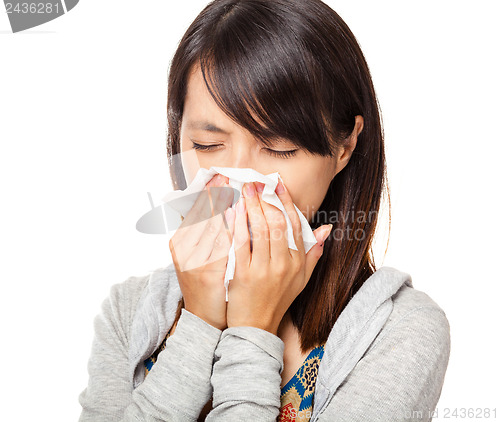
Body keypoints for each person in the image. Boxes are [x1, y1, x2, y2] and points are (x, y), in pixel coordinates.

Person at [78, 0, 451, 421]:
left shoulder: (398, 332)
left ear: (344, 148)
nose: (241, 178)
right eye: (207, 145)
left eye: (279, 149)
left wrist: (252, 331)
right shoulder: (130, 313)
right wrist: (200, 323)